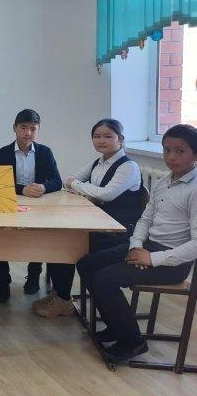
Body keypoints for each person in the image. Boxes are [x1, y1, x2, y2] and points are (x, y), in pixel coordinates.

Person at [77, 124, 197, 362]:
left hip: (172, 262)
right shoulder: (164, 181)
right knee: (87, 264)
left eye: (180, 151)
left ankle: (132, 342)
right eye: (167, 150)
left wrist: (153, 259)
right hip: (147, 246)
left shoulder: (194, 189)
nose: (171, 157)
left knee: (105, 279)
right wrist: (136, 246)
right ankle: (117, 325)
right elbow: (145, 218)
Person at [34, 118, 146, 318]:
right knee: (58, 240)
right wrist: (87, 189)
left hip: (117, 232)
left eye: (107, 136)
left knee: (64, 245)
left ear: (120, 139)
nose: (101, 140)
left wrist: (81, 187)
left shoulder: (128, 167)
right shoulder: (98, 162)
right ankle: (60, 295)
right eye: (97, 136)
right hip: (97, 223)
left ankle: (63, 300)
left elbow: (106, 194)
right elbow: (69, 180)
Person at [0, 109, 62, 302]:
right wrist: (22, 189)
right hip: (10, 203)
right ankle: (3, 282)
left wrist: (43, 187)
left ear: (38, 130)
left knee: (38, 238)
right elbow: (0, 184)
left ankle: (33, 275)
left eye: (33, 128)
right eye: (23, 128)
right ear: (14, 128)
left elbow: (57, 181)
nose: (28, 133)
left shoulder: (45, 152)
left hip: (38, 205)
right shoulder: (3, 153)